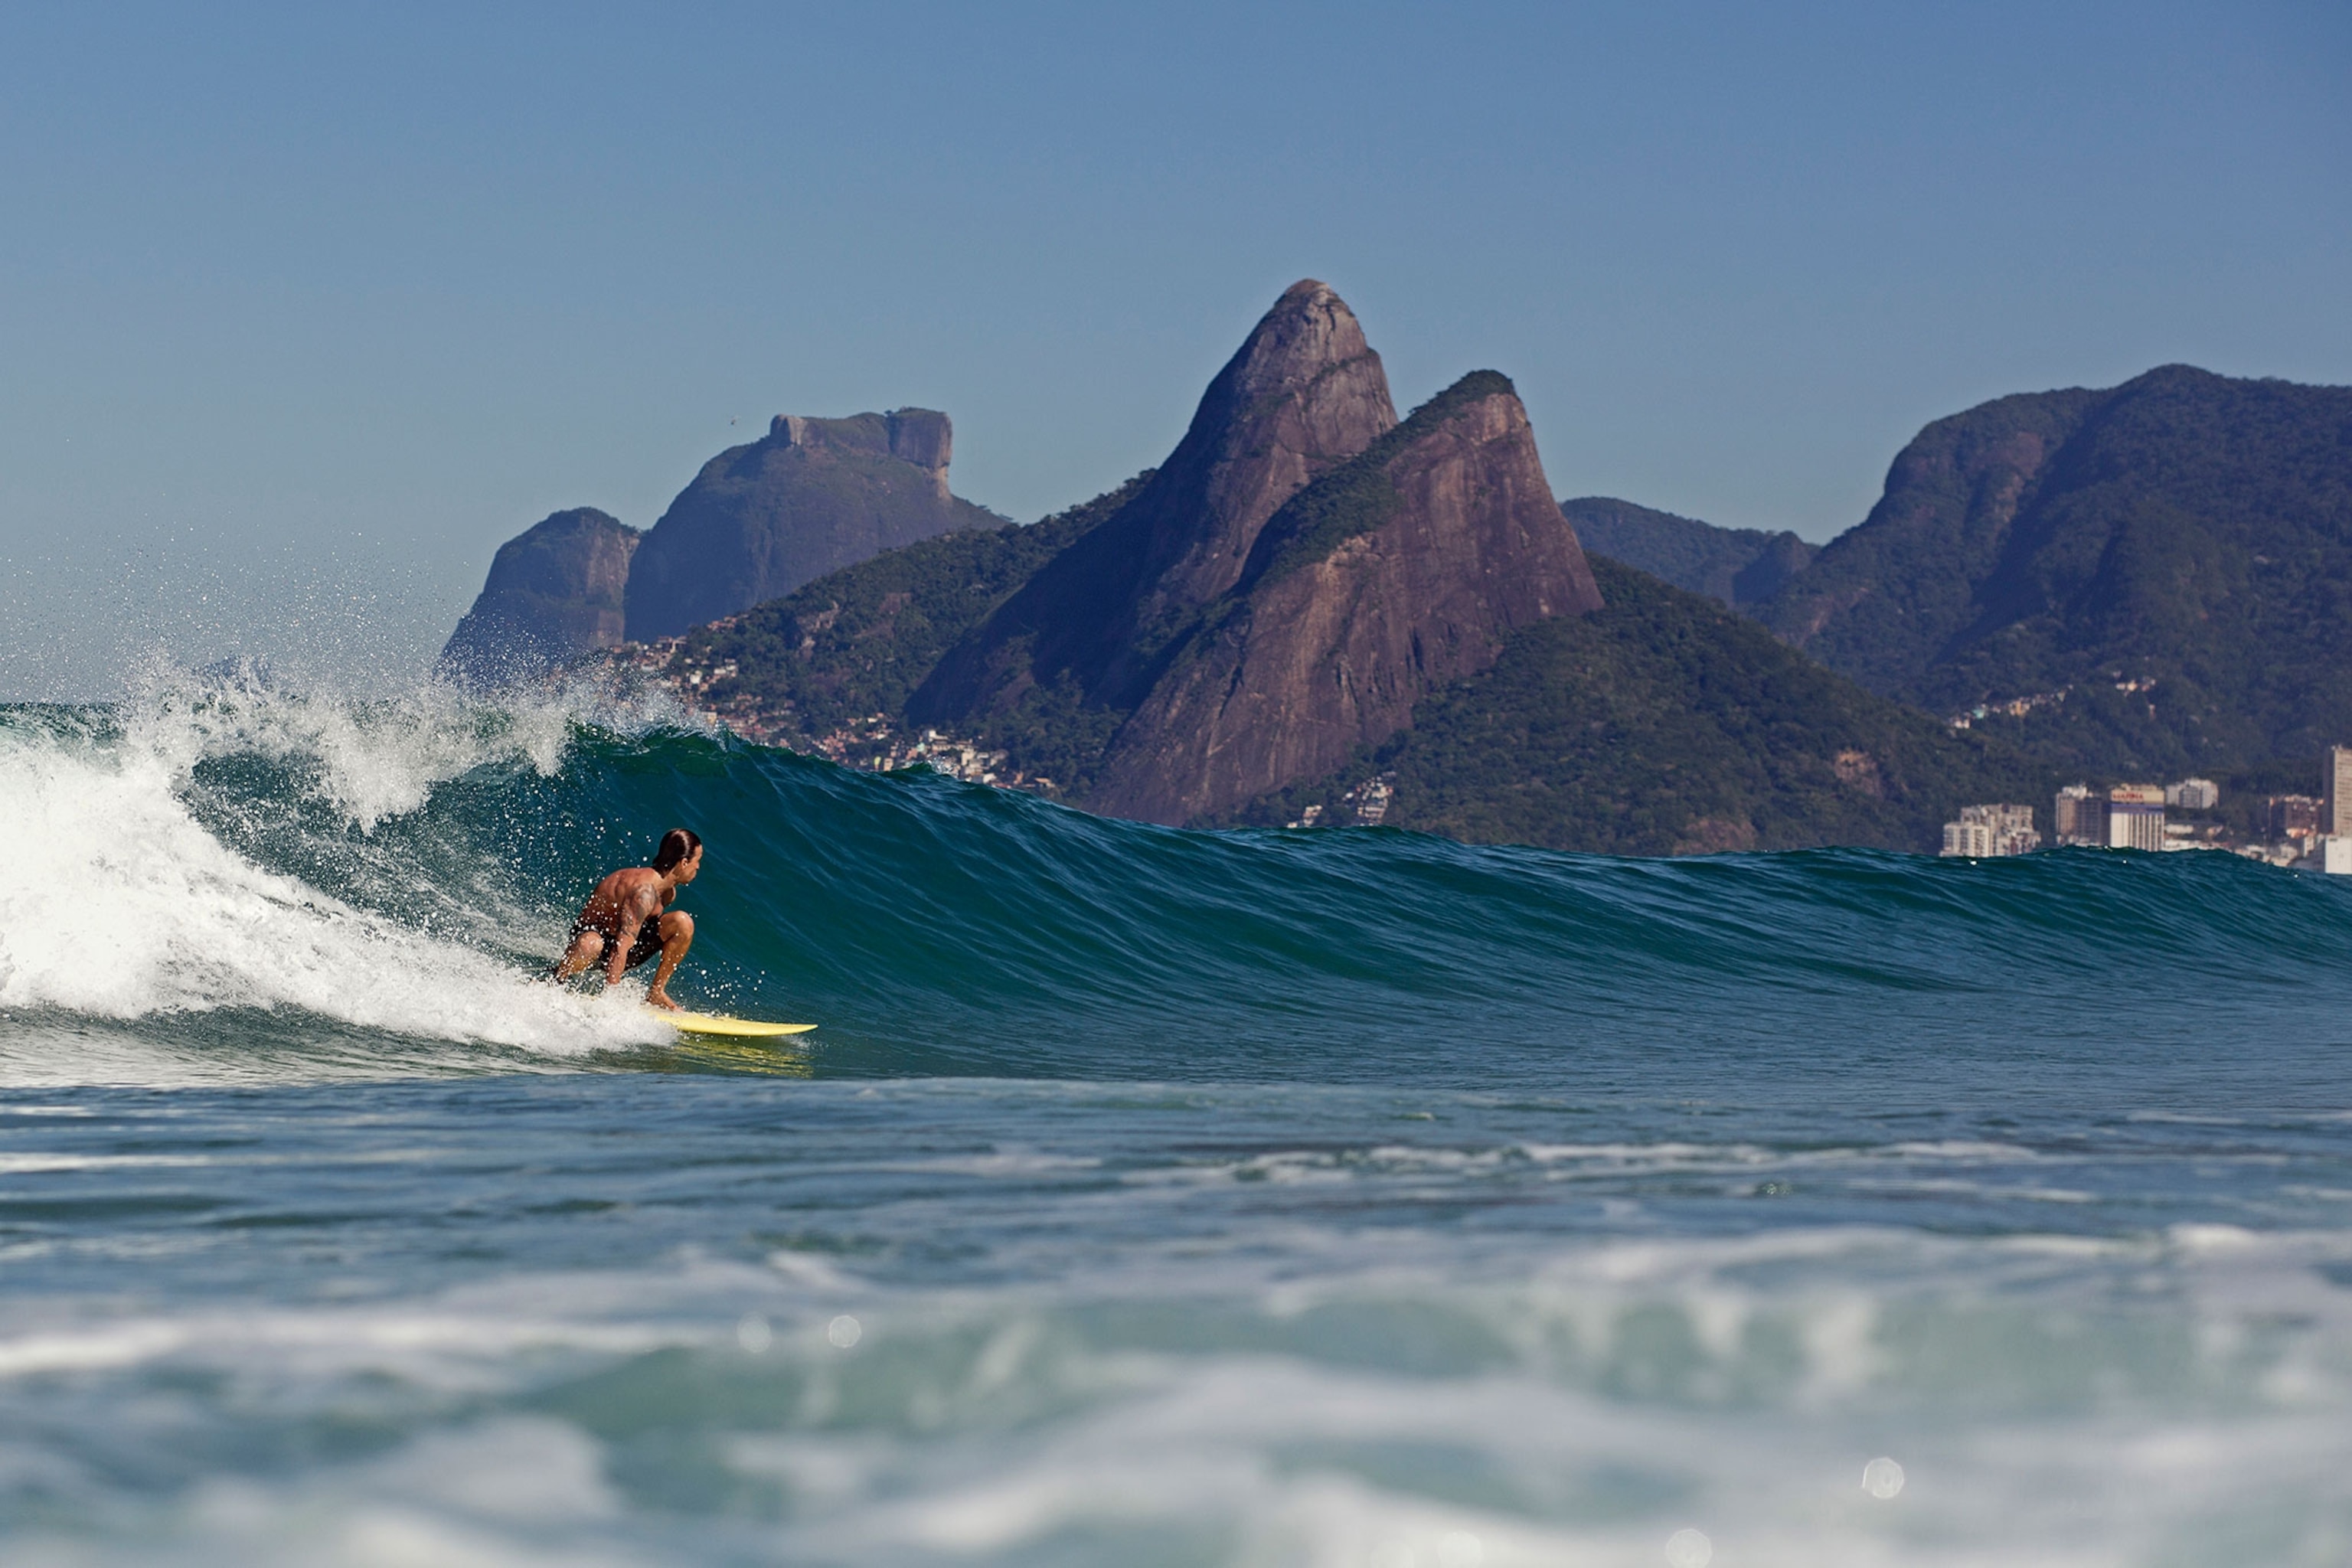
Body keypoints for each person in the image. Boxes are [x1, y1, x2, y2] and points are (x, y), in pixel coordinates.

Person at [548, 828, 702, 1010]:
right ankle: (556, 979)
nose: (698, 867)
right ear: (684, 863)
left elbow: (634, 938)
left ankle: (656, 993)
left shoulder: (668, 893)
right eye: (697, 861)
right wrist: (611, 1003)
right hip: (592, 945)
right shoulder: (643, 893)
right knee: (591, 944)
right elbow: (619, 949)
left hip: (623, 946)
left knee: (683, 922)